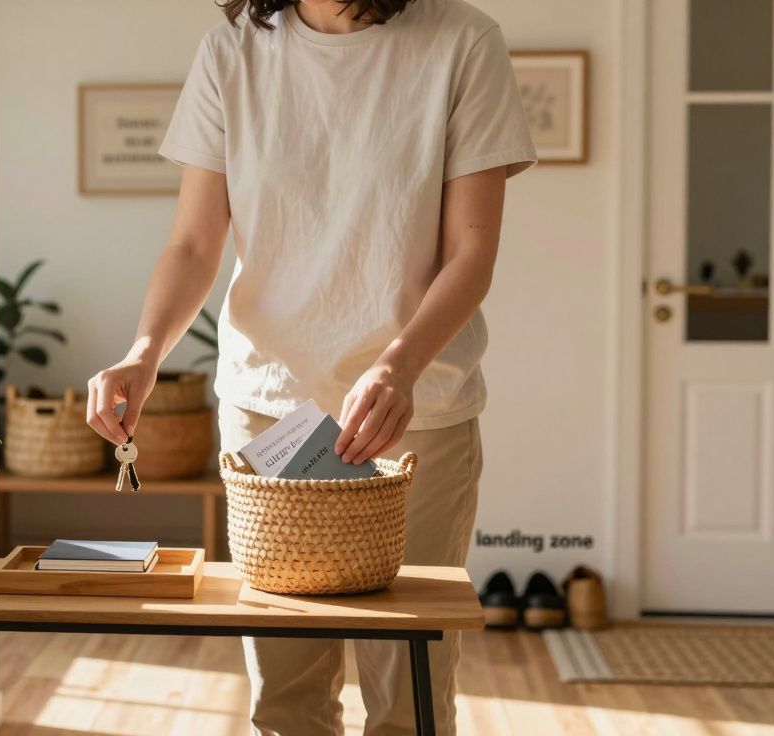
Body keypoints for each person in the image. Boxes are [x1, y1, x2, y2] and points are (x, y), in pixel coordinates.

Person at [84, 0, 535, 733]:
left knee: (409, 693)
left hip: (415, 409)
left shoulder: (462, 42)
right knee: (285, 693)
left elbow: (471, 254)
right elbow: (196, 244)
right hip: (270, 408)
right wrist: (145, 354)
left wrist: (399, 366)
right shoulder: (232, 52)